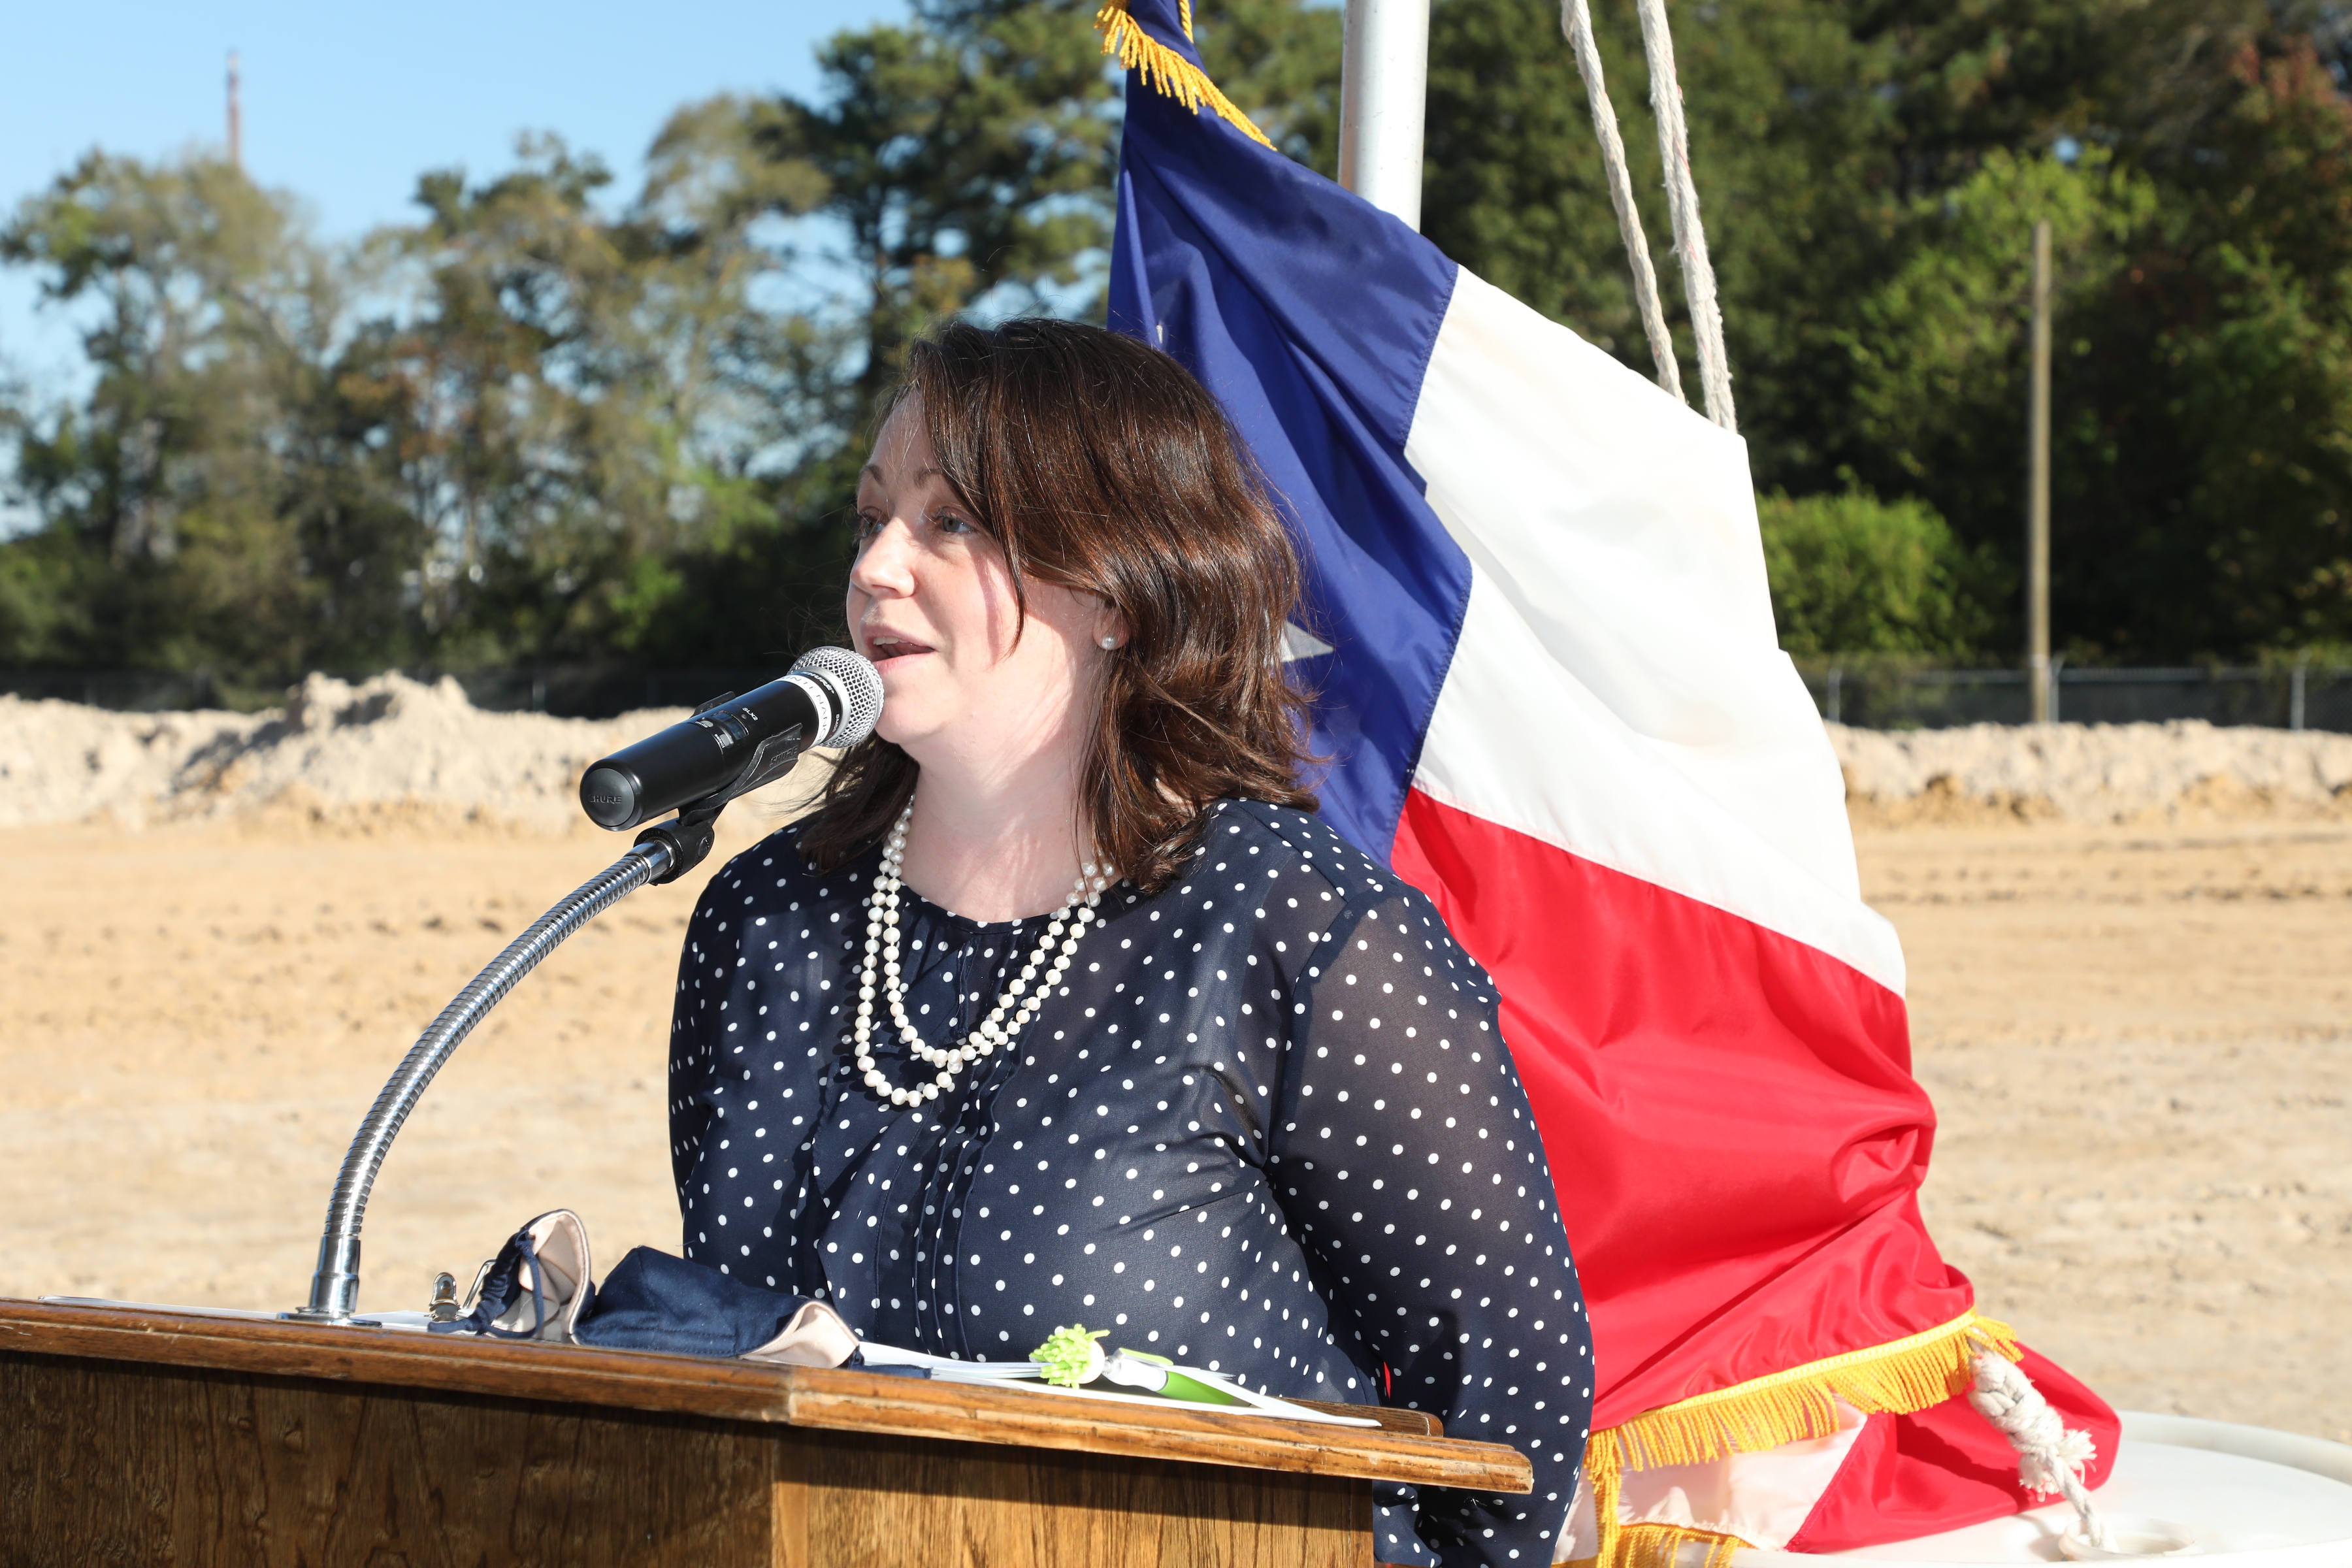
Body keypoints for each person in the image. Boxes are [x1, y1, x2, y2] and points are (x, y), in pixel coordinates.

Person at [667, 318, 1592, 1567]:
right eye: (871, 517)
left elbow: (1510, 1427)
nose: (878, 568)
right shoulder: (766, 922)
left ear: (1111, 588)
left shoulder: (1298, 931)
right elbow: (734, 1372)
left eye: (950, 523)